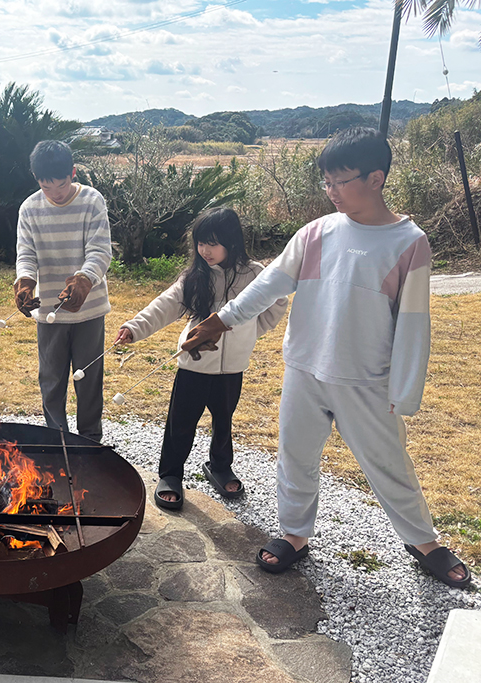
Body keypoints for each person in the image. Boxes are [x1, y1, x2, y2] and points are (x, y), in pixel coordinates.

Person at [183, 127, 471, 589]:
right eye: (326, 182)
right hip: (304, 367)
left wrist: (405, 391)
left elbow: (414, 321)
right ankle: (294, 535)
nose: (331, 191)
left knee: (388, 462)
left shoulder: (408, 242)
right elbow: (269, 284)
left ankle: (424, 542)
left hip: (367, 379)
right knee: (295, 456)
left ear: (376, 178)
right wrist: (222, 319)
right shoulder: (316, 232)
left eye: (340, 181)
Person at [115, 208, 287, 510]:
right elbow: (164, 305)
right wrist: (133, 328)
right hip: (193, 367)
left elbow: (277, 302)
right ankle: (170, 474)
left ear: (232, 242)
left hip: (233, 369)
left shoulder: (255, 273)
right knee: (180, 424)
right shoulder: (194, 276)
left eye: (213, 243)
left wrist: (249, 333)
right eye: (200, 243)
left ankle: (219, 467)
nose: (205, 250)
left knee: (224, 422)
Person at [14, 140, 112, 443]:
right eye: (46, 187)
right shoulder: (30, 208)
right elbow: (26, 253)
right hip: (48, 313)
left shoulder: (92, 201)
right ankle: (57, 440)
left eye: (60, 185)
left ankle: (91, 439)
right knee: (52, 380)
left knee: (89, 379)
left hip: (90, 309)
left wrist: (84, 279)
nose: (55, 193)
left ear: (72, 173)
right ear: (37, 180)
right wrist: (26, 281)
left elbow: (100, 251)